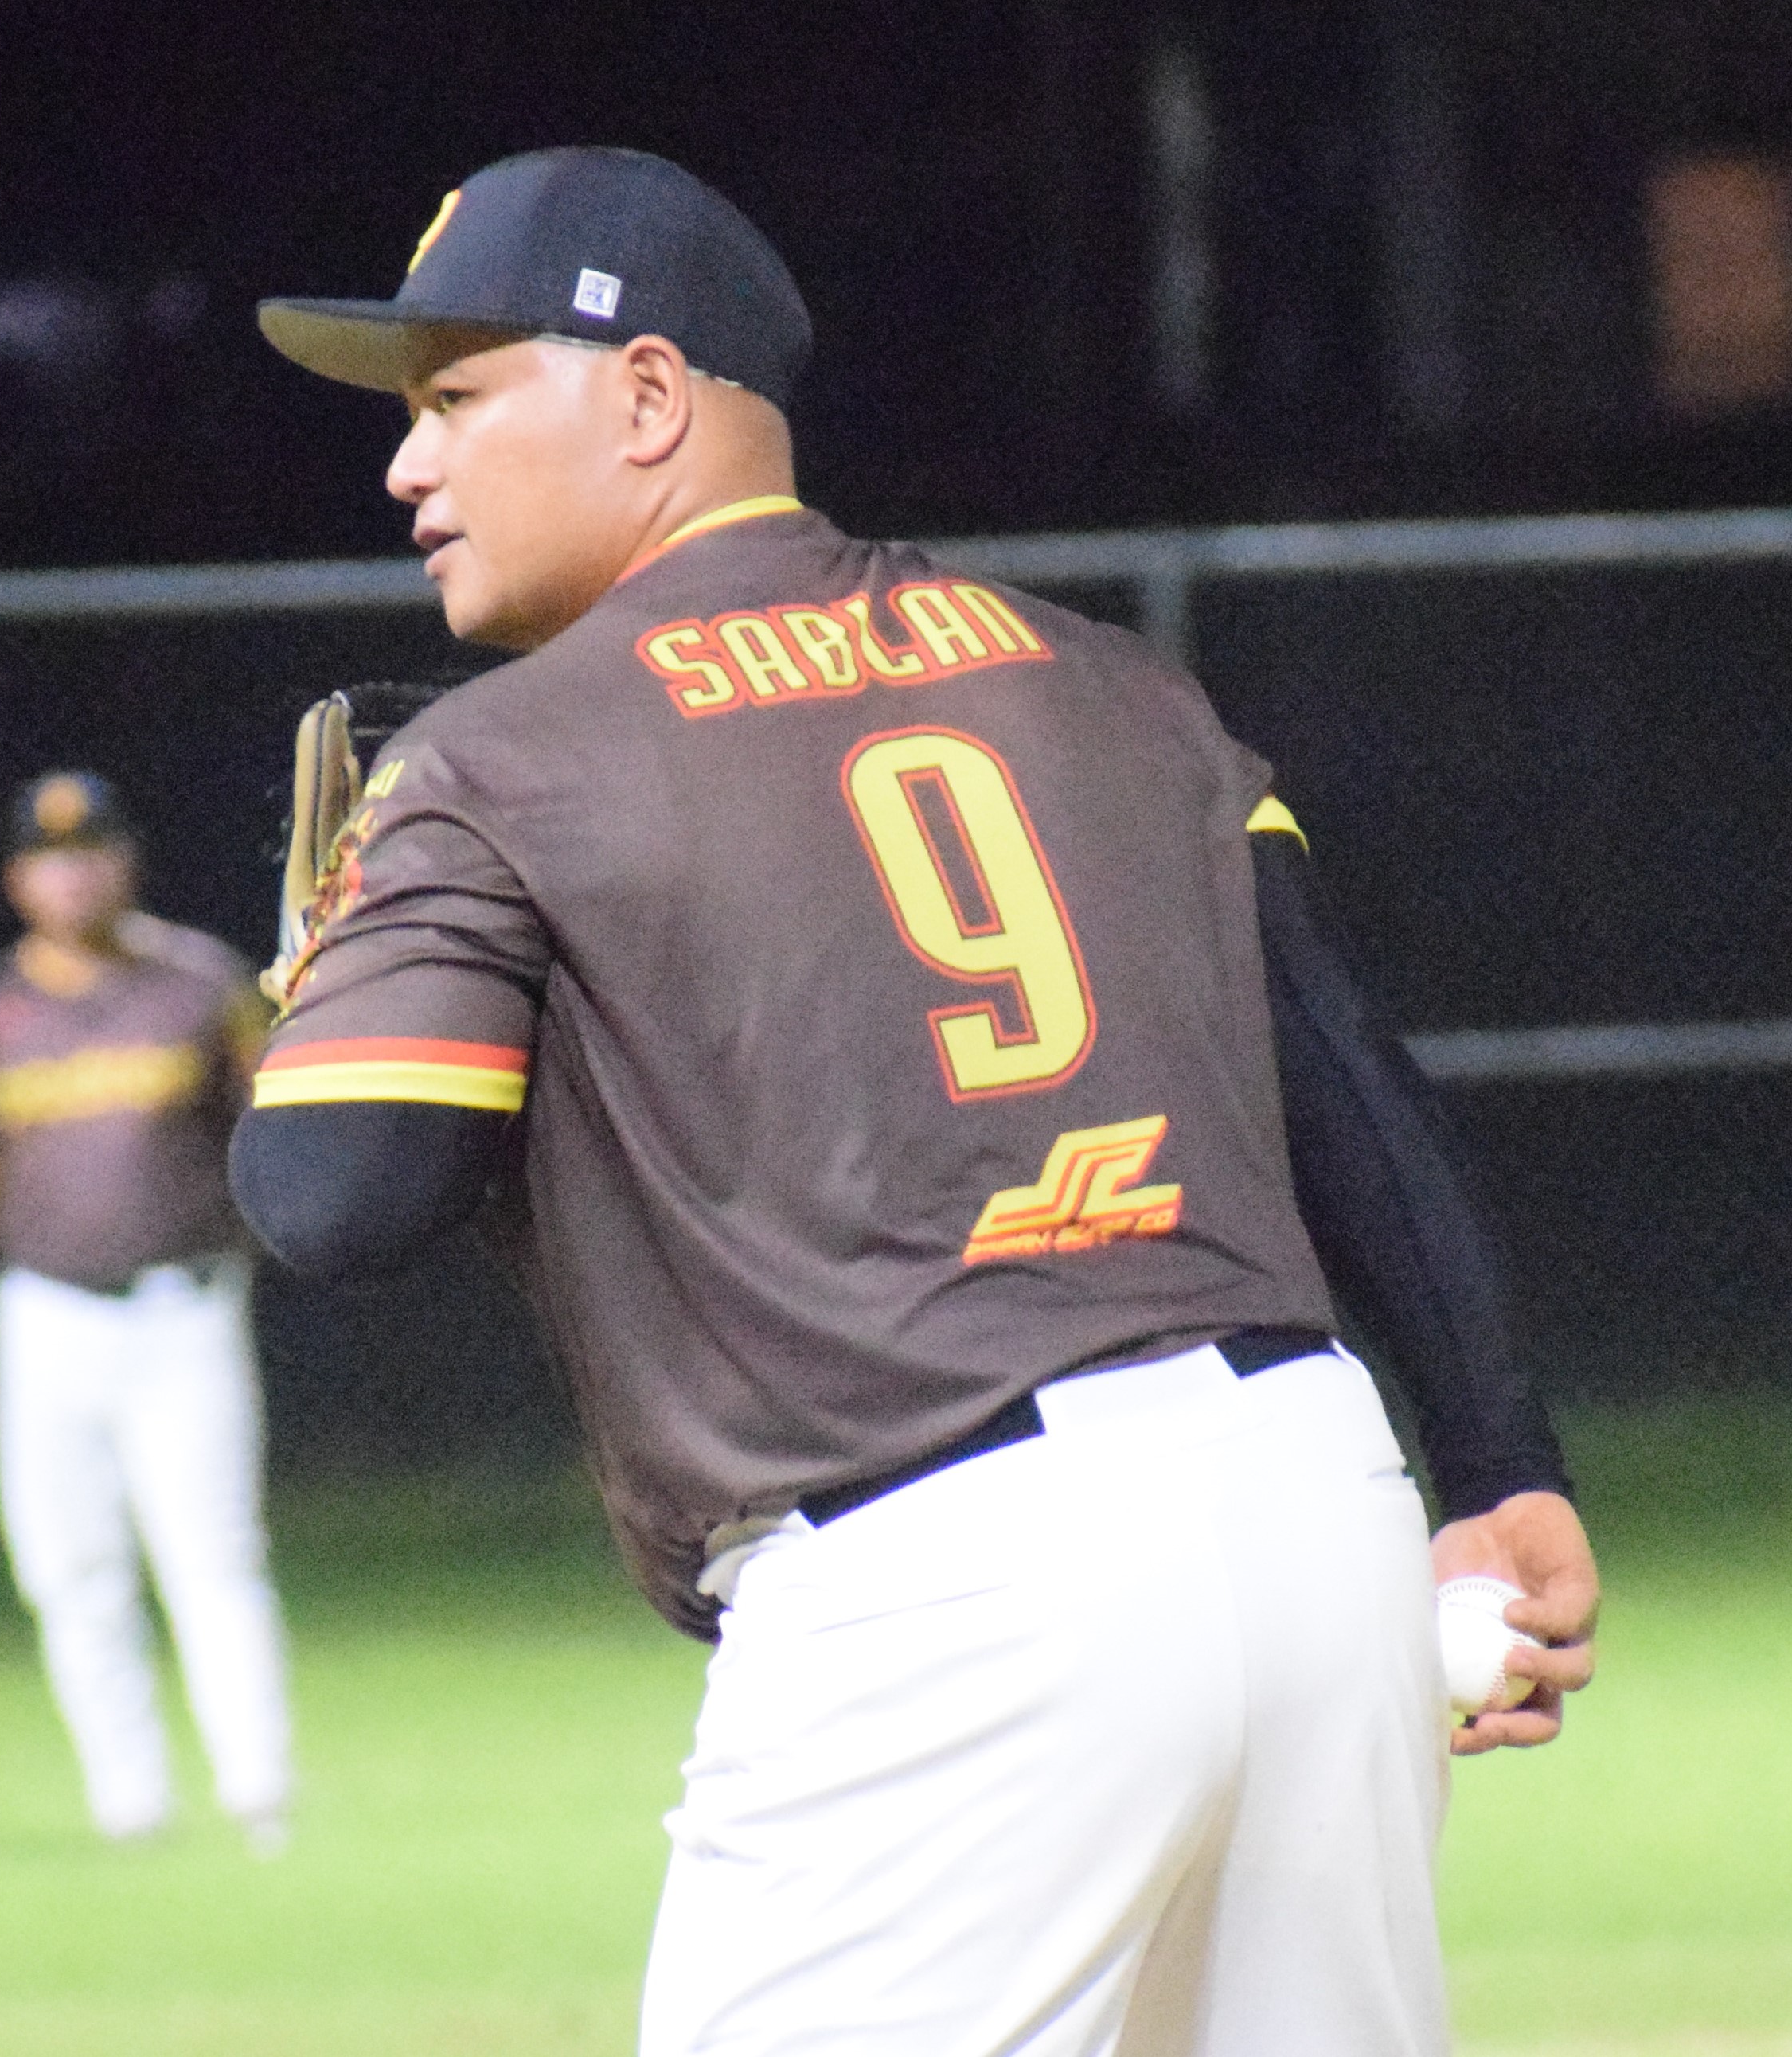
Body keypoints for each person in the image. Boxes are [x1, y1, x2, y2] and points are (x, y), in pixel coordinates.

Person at [231, 146, 1598, 2053]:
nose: (406, 464)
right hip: (1320, 1513)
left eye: (457, 397)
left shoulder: (504, 761)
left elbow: (336, 1196)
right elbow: (1345, 1086)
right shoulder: (1117, 685)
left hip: (944, 1583)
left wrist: (332, 967)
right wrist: (1501, 1461)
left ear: (644, 396)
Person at [0, 771, 291, 1849]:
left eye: (93, 850)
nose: (74, 871)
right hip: (47, 1313)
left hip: (186, 1306)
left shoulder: (200, 982)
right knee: (68, 1565)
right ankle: (130, 1806)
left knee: (212, 1554)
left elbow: (272, 1131)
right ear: (15, 879)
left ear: (129, 861)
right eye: (50, 856)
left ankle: (258, 1795)